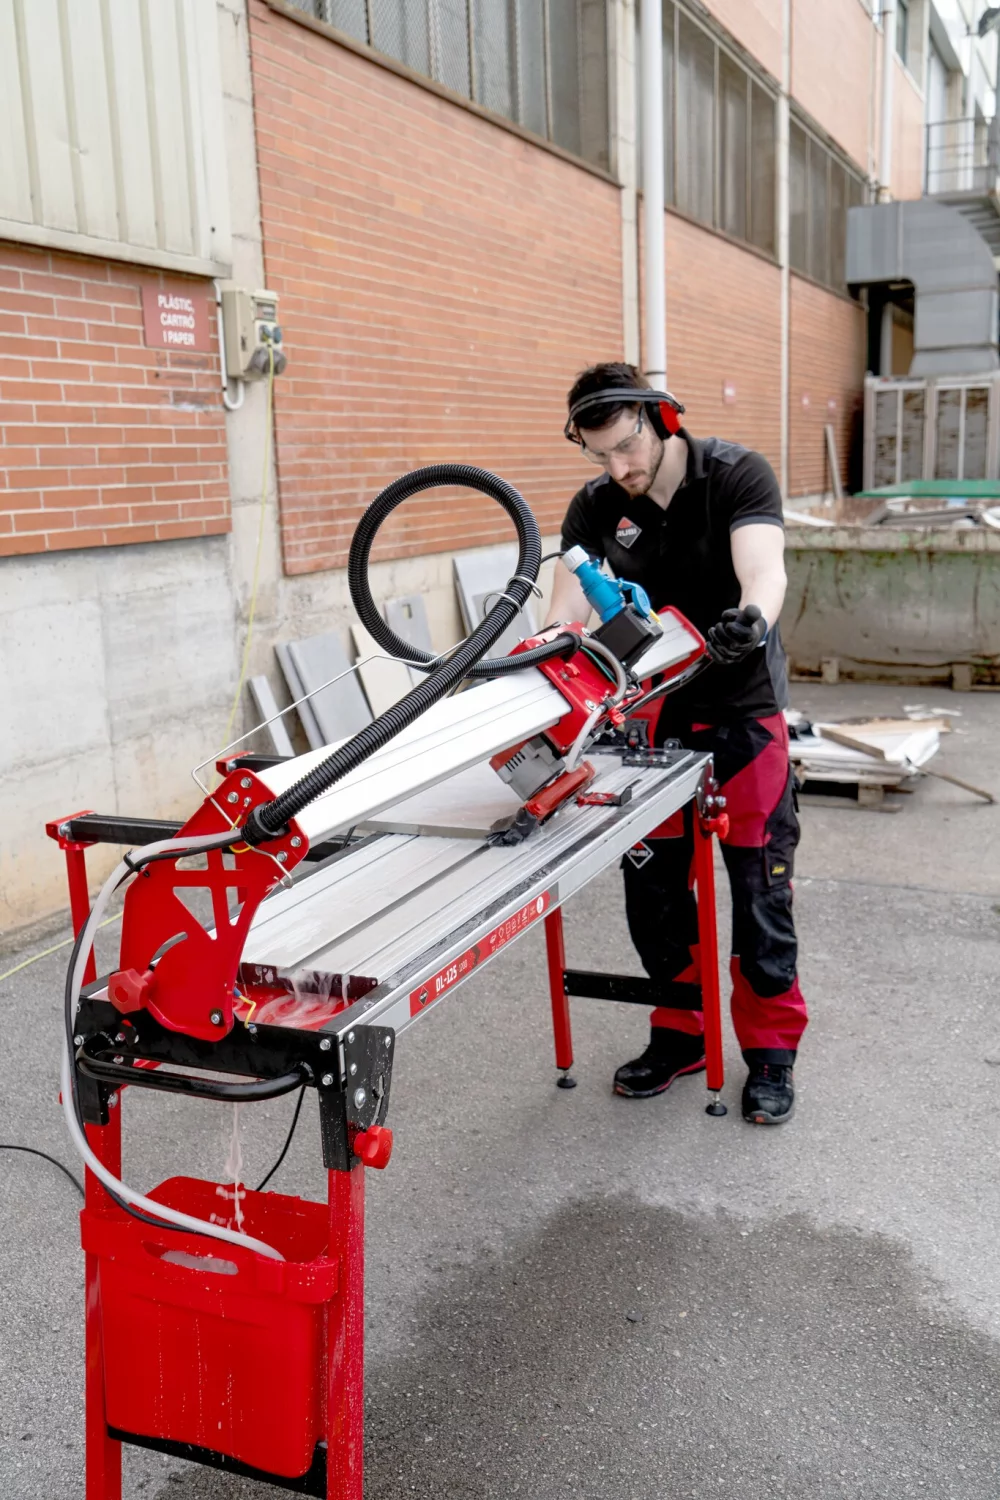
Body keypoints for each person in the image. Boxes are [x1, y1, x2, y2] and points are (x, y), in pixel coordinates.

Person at [544, 362, 807, 1125]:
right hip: (653, 718)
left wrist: (750, 619)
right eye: (600, 456)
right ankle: (680, 1032)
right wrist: (549, 657)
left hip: (743, 708)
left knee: (760, 889)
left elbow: (765, 571)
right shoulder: (595, 507)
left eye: (627, 447)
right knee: (653, 888)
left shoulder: (735, 475)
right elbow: (564, 613)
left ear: (660, 419)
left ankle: (771, 1056)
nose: (617, 469)